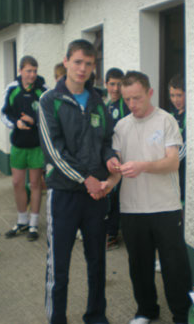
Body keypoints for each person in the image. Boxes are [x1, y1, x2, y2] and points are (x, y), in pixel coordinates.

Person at [38, 39, 118, 324]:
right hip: (64, 194)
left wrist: (110, 159)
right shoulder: (49, 100)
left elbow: (106, 140)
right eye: (78, 62)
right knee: (58, 266)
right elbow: (53, 152)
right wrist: (87, 179)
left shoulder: (98, 101)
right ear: (67, 61)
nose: (83, 69)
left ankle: (96, 316)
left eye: (89, 64)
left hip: (96, 196)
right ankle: (57, 318)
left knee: (97, 260)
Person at [107, 71, 192, 324]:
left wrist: (143, 166)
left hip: (165, 206)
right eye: (127, 99)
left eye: (137, 98)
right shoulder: (121, 126)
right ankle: (146, 310)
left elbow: (172, 162)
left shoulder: (166, 121)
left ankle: (181, 314)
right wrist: (108, 179)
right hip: (132, 209)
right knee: (139, 266)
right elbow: (118, 168)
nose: (132, 105)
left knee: (174, 265)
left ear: (150, 93)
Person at [1, 56, 46, 241]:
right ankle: (22, 221)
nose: (32, 74)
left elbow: (48, 118)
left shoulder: (43, 91)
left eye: (35, 71)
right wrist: (16, 123)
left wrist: (34, 121)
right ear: (20, 71)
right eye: (28, 71)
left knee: (35, 184)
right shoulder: (12, 89)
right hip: (18, 145)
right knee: (17, 183)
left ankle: (34, 224)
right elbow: (4, 114)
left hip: (36, 146)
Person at [104, 67, 130, 250]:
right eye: (112, 84)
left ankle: (113, 234)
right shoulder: (106, 106)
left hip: (125, 159)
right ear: (106, 84)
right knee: (111, 196)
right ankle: (110, 232)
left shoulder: (125, 105)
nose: (115, 88)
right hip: (110, 159)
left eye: (118, 84)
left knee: (120, 197)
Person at [168, 74, 186, 207]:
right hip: (171, 171)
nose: (175, 100)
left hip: (183, 171)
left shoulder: (189, 116)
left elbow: (185, 148)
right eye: (172, 95)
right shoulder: (171, 116)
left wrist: (166, 162)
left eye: (179, 95)